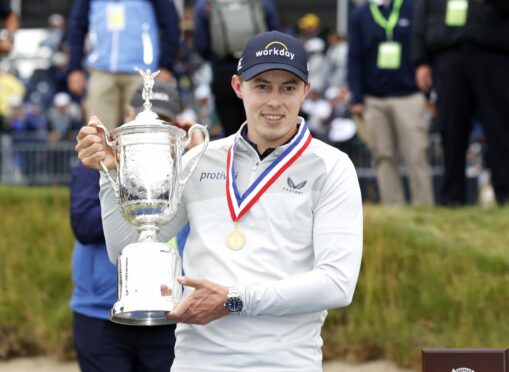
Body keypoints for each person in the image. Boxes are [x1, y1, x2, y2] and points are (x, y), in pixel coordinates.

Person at [76, 31, 363, 372]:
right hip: (196, 362)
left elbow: (337, 283)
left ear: (306, 91)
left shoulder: (331, 166)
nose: (274, 101)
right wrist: (111, 176)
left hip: (286, 363)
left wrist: (233, 299)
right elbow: (125, 247)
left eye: (288, 87)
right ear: (238, 87)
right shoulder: (200, 158)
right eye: (261, 86)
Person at [69, 81, 189, 372]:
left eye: (165, 122)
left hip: (169, 310)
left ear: (177, 127)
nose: (154, 129)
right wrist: (124, 192)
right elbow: (83, 226)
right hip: (100, 313)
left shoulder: (185, 170)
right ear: (127, 115)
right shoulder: (96, 163)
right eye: (150, 119)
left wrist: (194, 157)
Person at [412, 0, 509, 205]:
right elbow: (420, 18)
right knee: (451, 130)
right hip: (448, 57)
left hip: (492, 56)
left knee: (499, 129)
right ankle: (452, 199)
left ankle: (505, 194)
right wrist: (421, 61)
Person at [348, 0, 434, 206]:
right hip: (374, 99)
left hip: (409, 96)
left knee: (416, 153)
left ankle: (424, 207)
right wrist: (357, 98)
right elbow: (354, 58)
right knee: (383, 155)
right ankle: (393, 207)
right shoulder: (360, 15)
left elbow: (425, 48)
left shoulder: (412, 8)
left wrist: (429, 93)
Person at [67, 0, 180, 131]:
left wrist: (166, 65)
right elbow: (77, 25)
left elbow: (170, 22)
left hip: (142, 73)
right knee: (97, 134)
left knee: (142, 132)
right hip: (100, 71)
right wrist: (74, 68)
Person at [193, 0, 279, 136]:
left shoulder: (206, 4)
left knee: (231, 131)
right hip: (258, 69)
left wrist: (217, 58)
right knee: (261, 126)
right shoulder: (262, 3)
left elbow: (201, 45)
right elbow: (276, 36)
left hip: (223, 72)